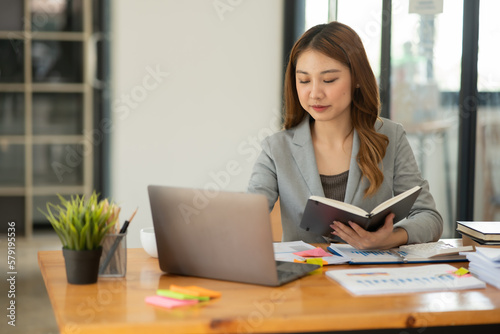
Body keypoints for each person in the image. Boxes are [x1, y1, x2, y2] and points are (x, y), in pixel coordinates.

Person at [247, 21, 443, 249]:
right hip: (304, 279)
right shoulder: (277, 148)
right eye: (304, 80)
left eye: (329, 80)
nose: (315, 93)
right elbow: (250, 213)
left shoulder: (391, 137)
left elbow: (430, 217)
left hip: (370, 278)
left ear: (357, 78)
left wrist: (391, 238)